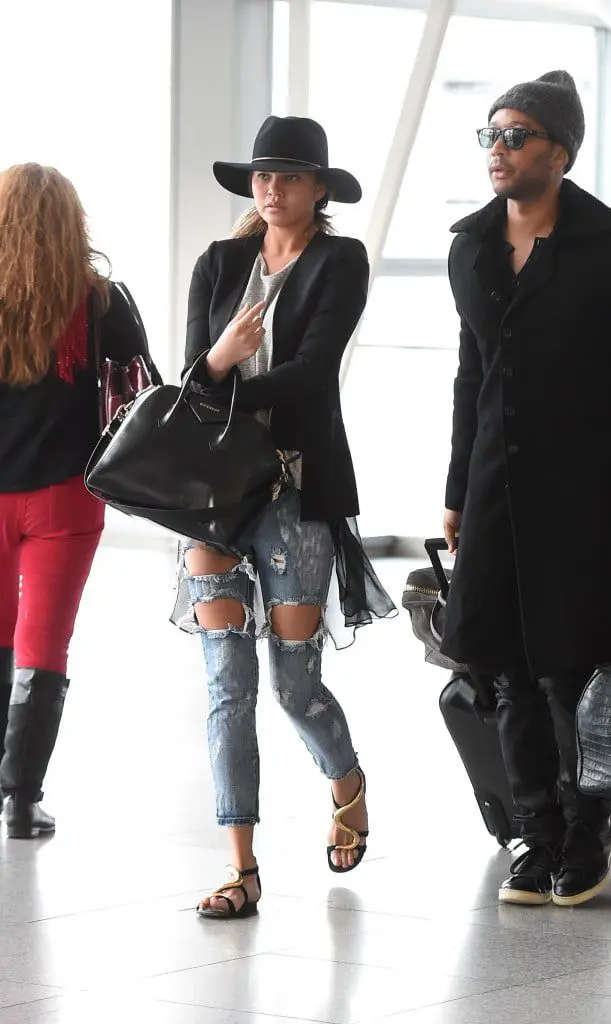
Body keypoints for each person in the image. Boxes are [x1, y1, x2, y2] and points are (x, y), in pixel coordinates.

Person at [441, 71, 611, 907]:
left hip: (582, 495)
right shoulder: (471, 248)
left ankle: (587, 827)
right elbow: (469, 378)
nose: (498, 149)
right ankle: (535, 830)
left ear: (560, 152)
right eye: (489, 134)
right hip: (493, 492)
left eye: (516, 135)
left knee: (573, 670)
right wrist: (454, 490)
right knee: (505, 671)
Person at [176, 116, 395, 918]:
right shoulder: (220, 262)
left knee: (293, 687)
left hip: (297, 491)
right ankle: (241, 869)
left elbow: (311, 375)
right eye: (262, 177)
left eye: (289, 177)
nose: (271, 189)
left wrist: (220, 376)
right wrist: (217, 362)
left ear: (318, 189)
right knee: (225, 687)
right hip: (214, 499)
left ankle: (345, 779)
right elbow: (188, 373)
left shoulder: (340, 260)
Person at [0, 163, 158, 838]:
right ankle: (22, 799)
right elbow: (148, 390)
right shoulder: (102, 301)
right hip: (66, 498)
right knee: (43, 647)